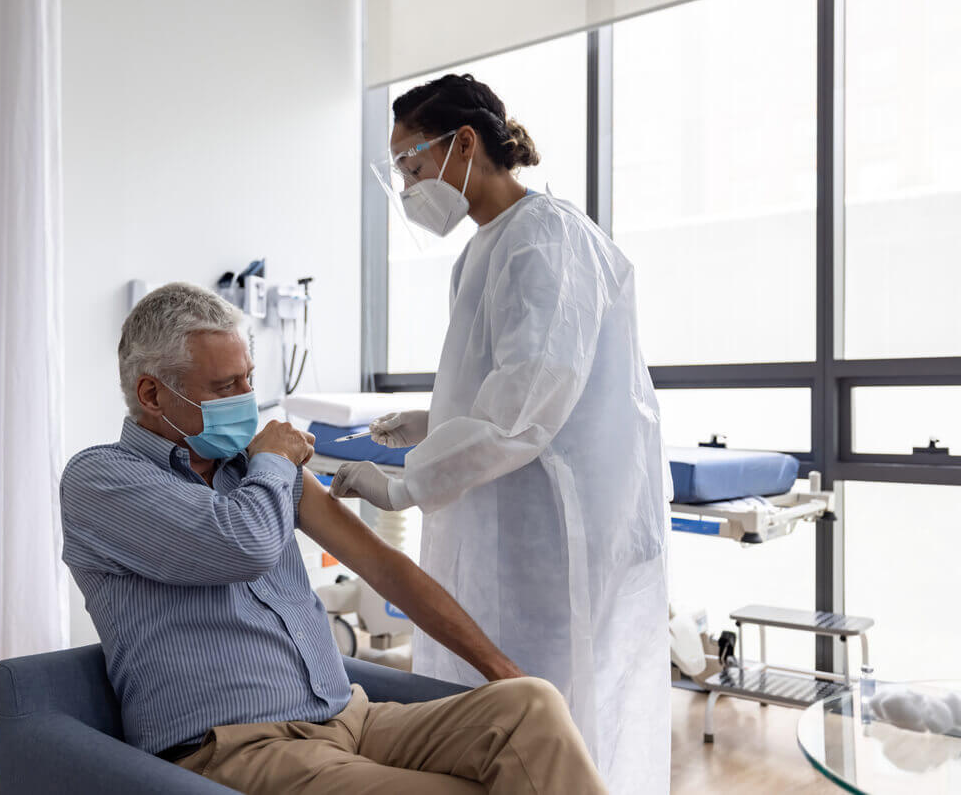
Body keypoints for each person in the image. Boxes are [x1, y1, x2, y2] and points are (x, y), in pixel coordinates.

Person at [60, 282, 607, 795]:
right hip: (237, 745)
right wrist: (273, 461)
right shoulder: (102, 480)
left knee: (531, 706)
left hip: (352, 716)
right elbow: (241, 545)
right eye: (225, 387)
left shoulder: (252, 472)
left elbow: (386, 569)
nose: (248, 400)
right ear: (152, 394)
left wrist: (503, 675)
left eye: (250, 379)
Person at [329, 74, 670, 794]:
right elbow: (504, 383)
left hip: (556, 537)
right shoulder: (480, 251)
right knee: (485, 704)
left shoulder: (546, 238)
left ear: (463, 143)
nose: (408, 184)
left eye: (412, 163)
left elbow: (526, 406)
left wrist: (403, 483)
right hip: (503, 523)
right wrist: (436, 421)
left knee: (548, 704)